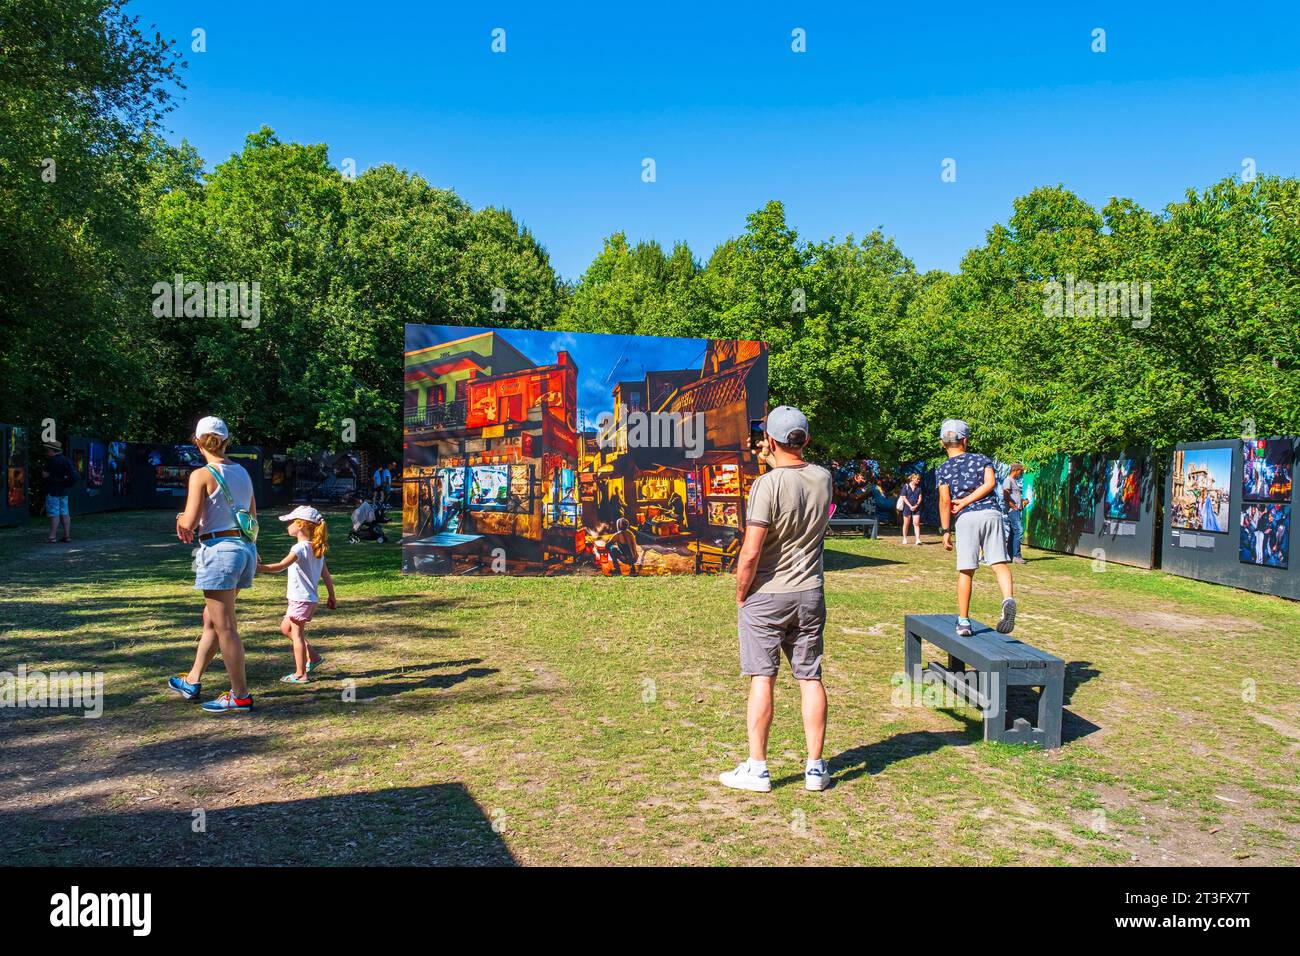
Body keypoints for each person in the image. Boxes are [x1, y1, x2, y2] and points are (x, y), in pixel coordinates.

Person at [721, 406, 833, 794]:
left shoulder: (765, 485)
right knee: (809, 677)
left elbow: (751, 552)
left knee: (762, 678)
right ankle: (815, 768)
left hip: (768, 594)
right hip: (810, 591)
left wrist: (740, 592)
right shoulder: (824, 478)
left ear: (769, 441)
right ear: (806, 438)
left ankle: (758, 768)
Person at [167, 416, 259, 714]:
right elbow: (253, 518)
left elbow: (190, 521)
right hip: (244, 549)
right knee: (212, 619)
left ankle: (240, 696)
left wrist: (180, 520)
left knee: (226, 627)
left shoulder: (201, 474)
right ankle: (192, 680)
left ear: (197, 441)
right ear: (226, 441)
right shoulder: (243, 472)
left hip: (219, 551)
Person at [936, 419, 1016, 638]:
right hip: (991, 514)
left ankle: (963, 622)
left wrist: (946, 530)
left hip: (967, 518)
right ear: (965, 440)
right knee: (999, 563)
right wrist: (971, 499)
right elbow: (990, 484)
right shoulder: (982, 459)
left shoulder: (943, 469)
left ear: (943, 443)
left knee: (966, 570)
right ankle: (1008, 599)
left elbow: (945, 500)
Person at [257, 505, 336, 683]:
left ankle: (300, 674)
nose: (289, 525)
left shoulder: (300, 549)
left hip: (301, 600)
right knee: (286, 628)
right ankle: (314, 658)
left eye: (292, 522)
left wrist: (257, 568)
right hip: (306, 600)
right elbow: (326, 575)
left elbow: (280, 566)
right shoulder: (316, 548)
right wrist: (332, 595)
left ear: (301, 525)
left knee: (297, 636)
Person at [41, 441, 78, 543]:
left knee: (54, 514)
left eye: (48, 449)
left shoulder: (51, 461)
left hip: (53, 491)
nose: (47, 451)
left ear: (52, 450)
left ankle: (52, 537)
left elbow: (44, 475)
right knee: (65, 512)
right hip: (64, 491)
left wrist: (50, 476)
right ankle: (67, 536)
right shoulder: (66, 460)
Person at [1001, 464, 1026, 564]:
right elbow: (1006, 494)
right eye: (1021, 471)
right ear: (1016, 470)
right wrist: (1012, 506)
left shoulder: (1013, 481)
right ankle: (1017, 556)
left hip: (1016, 509)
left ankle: (1009, 555)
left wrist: (1022, 501)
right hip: (1013, 511)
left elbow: (1013, 495)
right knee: (1019, 531)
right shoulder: (1008, 480)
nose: (1021, 473)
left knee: (1013, 533)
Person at [898, 472, 923, 545]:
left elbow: (920, 498)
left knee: (916, 523)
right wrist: (910, 506)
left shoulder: (919, 488)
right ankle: (905, 538)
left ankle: (918, 539)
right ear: (912, 479)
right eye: (917, 479)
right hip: (907, 507)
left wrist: (916, 505)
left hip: (916, 508)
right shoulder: (906, 486)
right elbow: (903, 497)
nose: (918, 480)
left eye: (919, 479)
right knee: (906, 524)